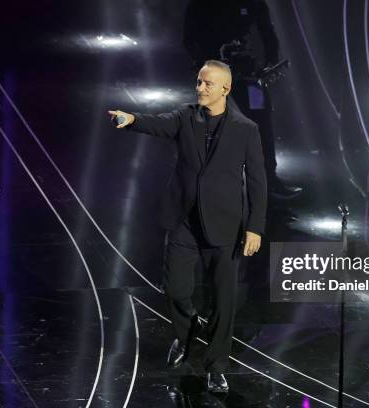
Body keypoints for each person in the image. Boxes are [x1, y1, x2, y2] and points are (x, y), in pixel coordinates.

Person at [108, 60, 267, 393]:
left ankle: (216, 366)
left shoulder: (245, 129)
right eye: (198, 82)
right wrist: (133, 119)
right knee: (176, 289)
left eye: (208, 84)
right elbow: (158, 123)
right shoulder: (185, 116)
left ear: (226, 88)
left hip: (225, 226)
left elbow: (257, 182)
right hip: (183, 222)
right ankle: (187, 331)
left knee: (224, 301)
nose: (200, 88)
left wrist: (255, 227)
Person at [183, 0, 302, 199]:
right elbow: (189, 38)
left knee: (262, 120)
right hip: (213, 71)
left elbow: (268, 33)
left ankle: (268, 180)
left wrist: (270, 63)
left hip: (246, 73)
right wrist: (206, 60)